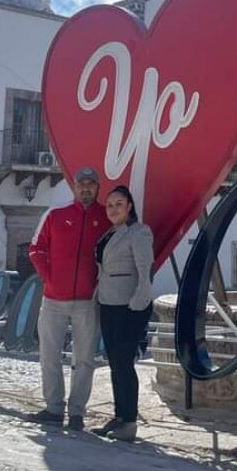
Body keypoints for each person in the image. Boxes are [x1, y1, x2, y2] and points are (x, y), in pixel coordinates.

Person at [25, 167, 109, 431]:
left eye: (91, 184)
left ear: (97, 188)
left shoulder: (106, 219)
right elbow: (36, 248)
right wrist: (49, 278)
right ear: (74, 186)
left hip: (87, 301)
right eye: (81, 183)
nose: (86, 188)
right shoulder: (55, 215)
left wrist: (98, 285)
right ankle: (53, 408)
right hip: (53, 299)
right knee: (49, 355)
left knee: (84, 360)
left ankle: (76, 413)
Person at [92, 185, 154, 441]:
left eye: (119, 204)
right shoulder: (110, 233)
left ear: (129, 206)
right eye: (109, 205)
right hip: (108, 303)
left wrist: (138, 304)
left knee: (124, 363)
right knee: (115, 362)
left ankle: (129, 422)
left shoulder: (139, 232)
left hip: (129, 307)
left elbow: (145, 271)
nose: (113, 209)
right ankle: (119, 416)